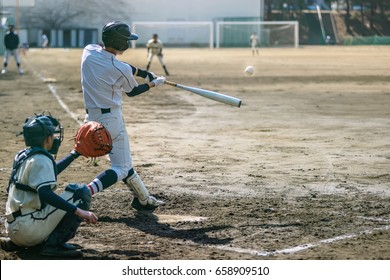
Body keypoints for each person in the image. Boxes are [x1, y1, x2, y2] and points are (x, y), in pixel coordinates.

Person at [81, 20, 166, 213]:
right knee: (121, 167)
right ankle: (87, 191)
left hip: (90, 120)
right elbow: (133, 91)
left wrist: (144, 73)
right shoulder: (121, 69)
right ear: (121, 43)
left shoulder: (89, 51)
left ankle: (143, 199)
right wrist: (154, 83)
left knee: (124, 163)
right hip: (111, 121)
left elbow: (116, 63)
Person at [1, 113, 98, 257]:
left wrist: (74, 154)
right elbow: (45, 194)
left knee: (42, 202)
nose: (54, 138)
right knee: (80, 192)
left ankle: (17, 242)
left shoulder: (23, 155)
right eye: (53, 135)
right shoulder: (41, 159)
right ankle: (54, 246)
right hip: (29, 229)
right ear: (47, 138)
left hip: (14, 228)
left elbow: (49, 173)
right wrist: (79, 211)